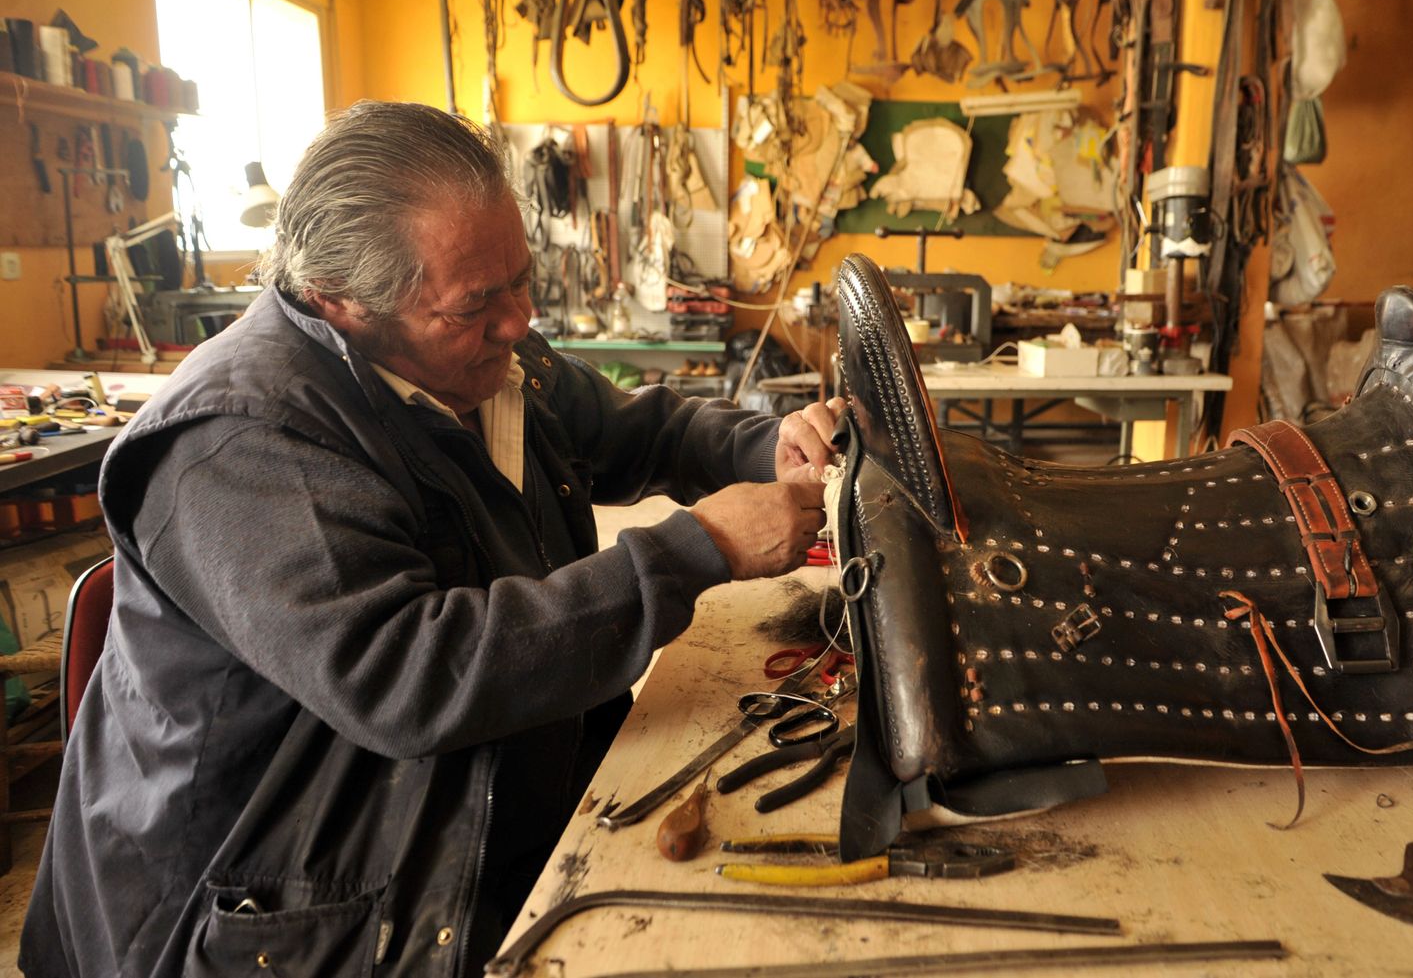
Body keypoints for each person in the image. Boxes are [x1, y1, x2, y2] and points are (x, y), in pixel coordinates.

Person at [21, 101, 842, 977]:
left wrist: (768, 443)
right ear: (339, 301)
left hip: (430, 812)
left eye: (521, 280)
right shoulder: (240, 440)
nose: (519, 321)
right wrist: (698, 547)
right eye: (477, 303)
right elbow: (408, 673)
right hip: (262, 899)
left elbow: (636, 432)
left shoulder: (473, 357)